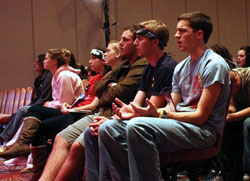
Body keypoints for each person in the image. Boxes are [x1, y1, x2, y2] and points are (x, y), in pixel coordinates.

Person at [87, 12, 230, 181]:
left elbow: (200, 117)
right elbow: (172, 107)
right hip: (180, 124)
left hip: (204, 131)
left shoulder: (214, 64)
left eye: (182, 31)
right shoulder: (181, 68)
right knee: (107, 129)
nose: (176, 35)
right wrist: (139, 112)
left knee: (137, 127)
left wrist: (157, 114)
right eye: (177, 31)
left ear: (199, 35)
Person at [39, 26, 148, 181]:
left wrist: (107, 90)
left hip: (113, 115)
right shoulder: (122, 66)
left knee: (76, 144)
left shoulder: (141, 64)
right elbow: (97, 88)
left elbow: (120, 92)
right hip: (100, 112)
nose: (122, 43)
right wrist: (109, 87)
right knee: (61, 138)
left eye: (126, 40)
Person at [84, 19, 178, 181]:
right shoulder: (149, 67)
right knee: (91, 132)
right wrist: (114, 117)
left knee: (107, 129)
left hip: (155, 121)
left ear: (155, 42)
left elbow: (152, 109)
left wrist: (111, 121)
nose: (135, 43)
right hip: (143, 118)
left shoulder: (166, 67)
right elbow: (135, 104)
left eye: (140, 39)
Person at [0, 48, 83, 160]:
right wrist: (50, 104)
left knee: (34, 110)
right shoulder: (57, 76)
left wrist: (49, 104)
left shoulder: (64, 76)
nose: (43, 61)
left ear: (54, 61)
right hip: (62, 109)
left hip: (71, 112)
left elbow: (67, 103)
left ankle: (18, 145)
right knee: (35, 118)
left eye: (47, 59)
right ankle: (27, 157)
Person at [0, 54, 53, 143]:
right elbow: (36, 99)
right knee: (23, 111)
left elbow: (44, 98)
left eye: (36, 62)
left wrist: (31, 107)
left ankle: (7, 140)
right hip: (39, 105)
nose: (34, 64)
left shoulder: (49, 76)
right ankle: (10, 142)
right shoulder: (39, 79)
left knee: (23, 111)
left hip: (46, 106)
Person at [222, 67, 250, 180]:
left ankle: (247, 173)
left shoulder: (248, 78)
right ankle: (226, 174)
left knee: (248, 123)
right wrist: (227, 115)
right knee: (224, 126)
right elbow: (232, 105)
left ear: (236, 82)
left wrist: (233, 116)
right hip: (245, 110)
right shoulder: (230, 77)